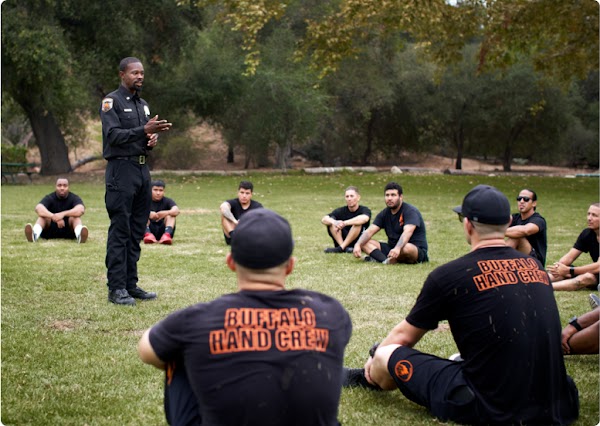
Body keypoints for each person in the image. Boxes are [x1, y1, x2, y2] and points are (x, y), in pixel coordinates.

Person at [344, 184, 579, 425]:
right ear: (508, 222)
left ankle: (368, 377)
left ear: (467, 224)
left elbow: (403, 337)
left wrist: (374, 358)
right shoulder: (535, 267)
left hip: (488, 405)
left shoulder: (450, 275)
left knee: (386, 353)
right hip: (558, 400)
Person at [138, 209, 352, 425]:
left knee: (177, 349)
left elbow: (147, 351)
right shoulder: (330, 312)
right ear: (290, 266)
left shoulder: (196, 320)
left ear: (231, 262)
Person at [101, 56, 172, 306]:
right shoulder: (112, 102)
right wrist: (144, 131)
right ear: (122, 75)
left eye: (142, 73)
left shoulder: (143, 105)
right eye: (134, 73)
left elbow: (140, 137)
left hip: (142, 171)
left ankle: (131, 285)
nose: (139, 77)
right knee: (120, 230)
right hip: (121, 170)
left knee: (135, 231)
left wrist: (151, 141)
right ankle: (116, 288)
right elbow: (113, 136)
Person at [352, 182, 428, 264]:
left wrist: (398, 248)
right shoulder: (384, 213)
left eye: (393, 195)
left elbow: (407, 232)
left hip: (413, 249)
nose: (389, 198)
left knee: (406, 247)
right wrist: (358, 244)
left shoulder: (410, 211)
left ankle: (382, 258)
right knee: (364, 242)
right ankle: (385, 261)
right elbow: (369, 231)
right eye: (387, 195)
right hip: (392, 248)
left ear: (401, 197)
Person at [547, 203, 600, 291]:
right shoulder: (587, 233)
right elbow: (569, 257)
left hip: (596, 272)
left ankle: (543, 288)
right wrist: (558, 267)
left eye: (594, 215)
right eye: (588, 214)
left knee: (587, 277)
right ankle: (533, 283)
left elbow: (598, 266)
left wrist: (569, 270)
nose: (589, 218)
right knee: (561, 272)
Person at [24, 178, 88, 244]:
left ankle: (79, 235)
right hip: (50, 231)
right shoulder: (49, 197)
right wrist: (54, 217)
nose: (62, 188)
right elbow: (38, 208)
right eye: (59, 185)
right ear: (55, 187)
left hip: (69, 231)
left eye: (65, 185)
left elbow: (81, 210)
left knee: (75, 217)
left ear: (68, 187)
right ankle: (34, 235)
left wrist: (62, 214)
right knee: (42, 217)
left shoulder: (74, 198)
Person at [321, 186, 371, 253]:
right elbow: (324, 219)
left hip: (357, 241)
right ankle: (342, 247)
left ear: (358, 197)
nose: (349, 199)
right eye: (347, 196)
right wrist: (335, 222)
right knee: (331, 222)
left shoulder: (364, 210)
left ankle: (342, 248)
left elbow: (364, 219)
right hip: (341, 240)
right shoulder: (340, 211)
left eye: (351, 196)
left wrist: (344, 223)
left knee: (357, 224)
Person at [505, 188, 547, 266]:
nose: (521, 201)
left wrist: (498, 231)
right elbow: (497, 223)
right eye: (519, 199)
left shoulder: (538, 220)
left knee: (517, 236)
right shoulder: (514, 218)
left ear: (534, 203)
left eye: (526, 199)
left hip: (535, 264)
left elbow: (525, 230)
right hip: (519, 261)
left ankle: (495, 261)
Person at [220, 181, 263, 245]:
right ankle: (234, 237)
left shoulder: (256, 206)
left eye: (247, 193)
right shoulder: (233, 202)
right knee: (224, 215)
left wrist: (244, 222)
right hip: (232, 235)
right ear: (238, 193)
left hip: (248, 235)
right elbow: (223, 207)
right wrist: (235, 221)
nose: (244, 196)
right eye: (242, 192)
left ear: (251, 194)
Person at [143, 180, 180, 245]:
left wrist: (166, 213)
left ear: (164, 191)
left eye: (160, 190)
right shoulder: (144, 201)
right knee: (141, 215)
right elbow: (134, 212)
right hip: (148, 228)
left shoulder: (168, 201)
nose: (158, 193)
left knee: (171, 215)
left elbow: (176, 210)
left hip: (162, 229)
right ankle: (148, 235)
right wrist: (147, 214)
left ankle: (167, 235)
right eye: (155, 190)